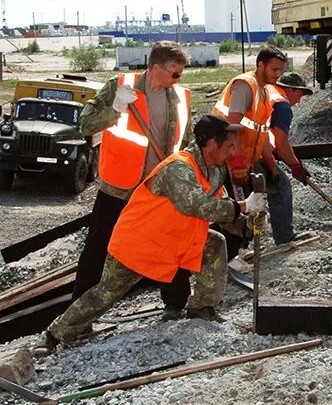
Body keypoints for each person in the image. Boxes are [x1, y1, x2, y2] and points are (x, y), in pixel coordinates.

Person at [34, 115, 266, 354]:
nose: (234, 151)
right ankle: (54, 334)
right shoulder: (179, 168)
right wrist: (244, 206)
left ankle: (202, 307)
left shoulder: (213, 172)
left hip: (171, 238)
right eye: (229, 145)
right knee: (107, 293)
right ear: (211, 144)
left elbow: (220, 207)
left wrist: (246, 225)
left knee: (214, 242)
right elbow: (196, 205)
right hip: (139, 241)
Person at [73, 41, 193, 319]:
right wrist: (115, 108)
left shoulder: (180, 97)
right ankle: (78, 314)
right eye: (175, 73)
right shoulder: (121, 86)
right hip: (119, 185)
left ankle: (175, 304)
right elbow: (86, 125)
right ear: (155, 68)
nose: (179, 79)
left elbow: (186, 143)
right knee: (98, 248)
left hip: (158, 186)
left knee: (169, 243)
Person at [212, 45, 286, 254]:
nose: (277, 75)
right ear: (261, 65)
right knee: (236, 207)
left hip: (245, 160)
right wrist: (236, 162)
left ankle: (239, 251)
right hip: (228, 159)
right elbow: (231, 127)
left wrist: (270, 163)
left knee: (245, 205)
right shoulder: (245, 86)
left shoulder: (262, 91)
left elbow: (259, 131)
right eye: (274, 69)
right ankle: (230, 254)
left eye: (281, 70)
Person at [263, 72, 313, 245]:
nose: (298, 101)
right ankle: (284, 237)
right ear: (289, 89)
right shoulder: (283, 106)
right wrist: (296, 166)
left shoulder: (268, 93)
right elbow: (282, 143)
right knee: (279, 186)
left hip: (247, 149)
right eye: (298, 95)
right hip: (252, 153)